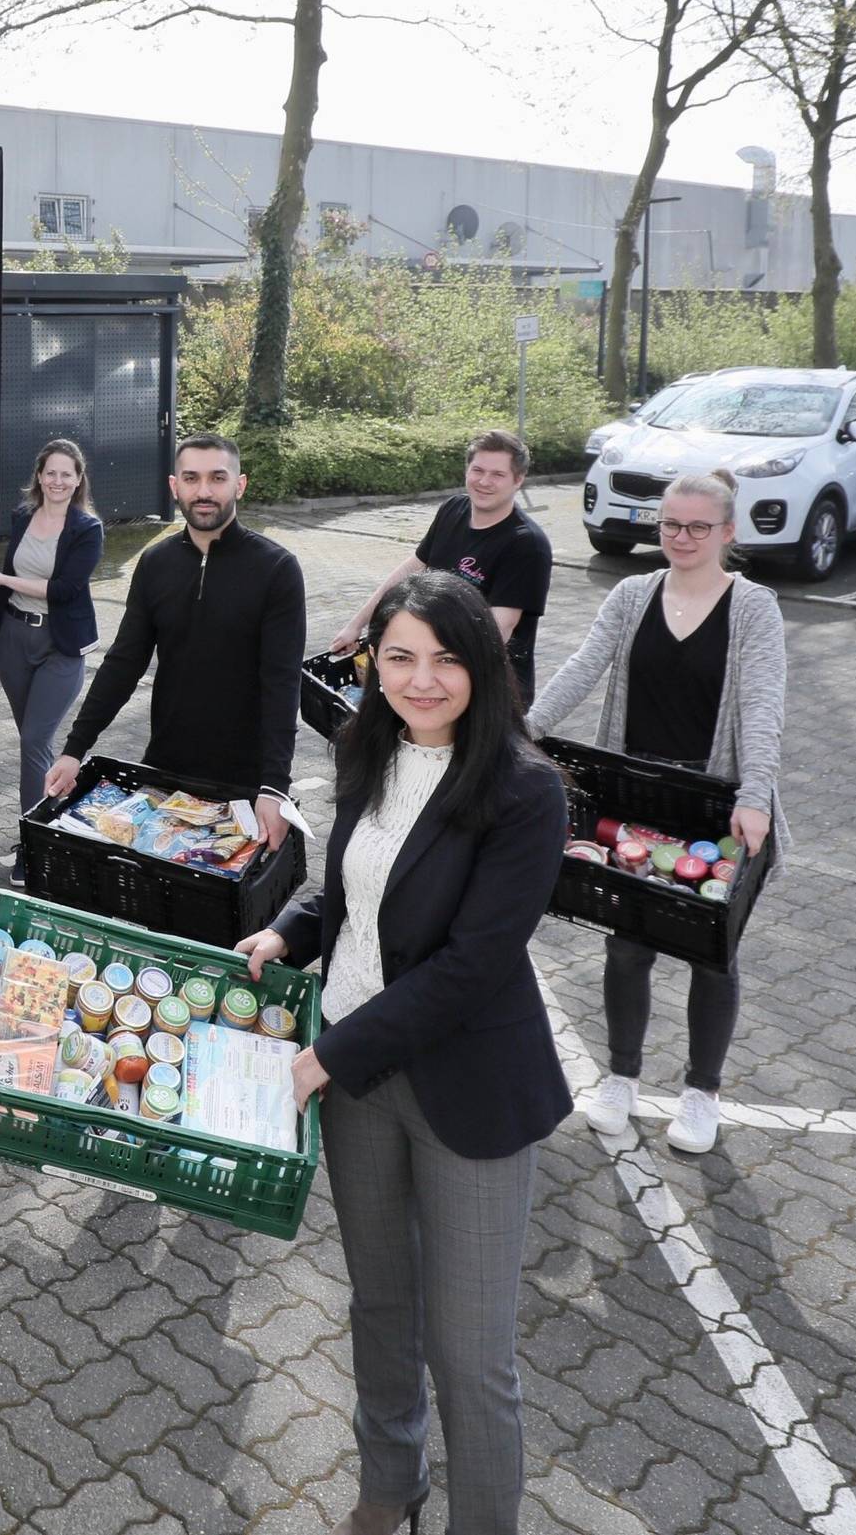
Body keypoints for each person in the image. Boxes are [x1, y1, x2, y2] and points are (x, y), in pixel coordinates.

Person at [237, 571, 571, 1535]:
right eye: (399, 658)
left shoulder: (524, 790)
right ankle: (390, 1488)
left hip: (464, 1089)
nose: (422, 680)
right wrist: (289, 934)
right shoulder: (368, 746)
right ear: (371, 662)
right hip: (356, 1076)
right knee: (381, 1306)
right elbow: (358, 892)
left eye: (446, 659)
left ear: (484, 665)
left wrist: (321, 1061)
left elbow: (470, 966)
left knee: (471, 1353)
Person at [527, 468, 787, 1156]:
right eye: (672, 523)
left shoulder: (754, 608)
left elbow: (763, 707)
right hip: (635, 792)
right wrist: (521, 731)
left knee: (712, 952)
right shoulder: (632, 592)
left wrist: (754, 796)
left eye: (699, 526)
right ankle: (622, 1077)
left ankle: (703, 1091)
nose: (682, 537)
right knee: (627, 942)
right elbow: (584, 665)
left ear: (728, 531)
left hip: (716, 803)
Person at [44, 433, 302, 852]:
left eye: (217, 478)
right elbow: (124, 662)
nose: (204, 491)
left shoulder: (276, 569)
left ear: (239, 485)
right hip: (166, 769)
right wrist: (75, 749)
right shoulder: (155, 562)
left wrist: (274, 786)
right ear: (174, 486)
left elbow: (282, 682)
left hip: (246, 781)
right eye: (192, 478)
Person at [0, 438, 105, 882]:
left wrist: (2, 577)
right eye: (51, 473)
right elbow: (7, 572)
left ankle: (33, 841)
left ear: (78, 479)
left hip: (59, 646)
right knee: (36, 745)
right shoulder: (23, 515)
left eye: (67, 474)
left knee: (33, 742)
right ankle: (53, 827)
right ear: (39, 476)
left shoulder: (86, 528)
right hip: (12, 640)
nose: (58, 481)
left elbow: (65, 589)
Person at [331, 430, 553, 702]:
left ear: (518, 480)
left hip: (489, 692)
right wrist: (358, 624)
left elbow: (498, 631)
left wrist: (418, 661)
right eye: (478, 470)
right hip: (434, 681)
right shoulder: (453, 509)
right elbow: (411, 569)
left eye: (498, 474)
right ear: (466, 471)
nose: (484, 481)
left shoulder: (526, 544)